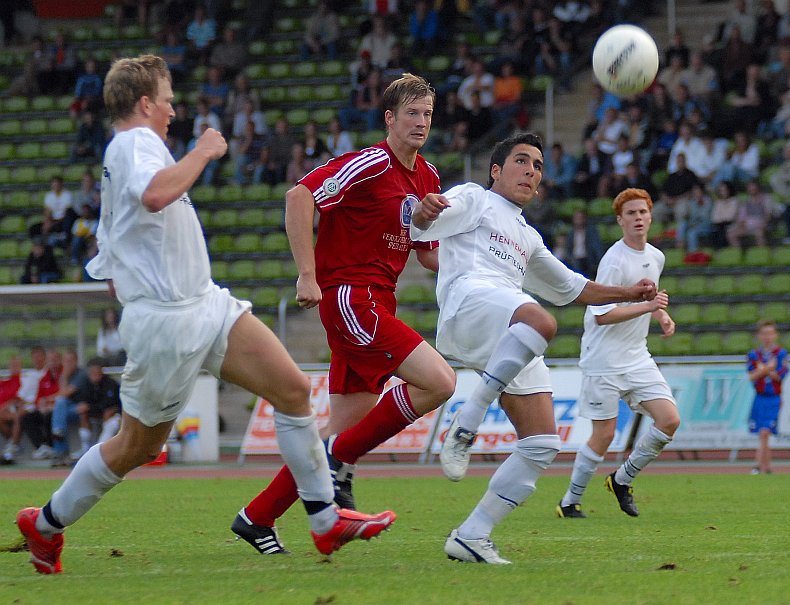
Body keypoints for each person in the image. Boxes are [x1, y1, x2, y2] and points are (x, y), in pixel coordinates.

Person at [16, 54, 395, 576]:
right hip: (169, 322)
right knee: (136, 446)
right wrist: (204, 150)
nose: (173, 111)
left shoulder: (128, 154)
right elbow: (156, 195)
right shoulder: (134, 143)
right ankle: (45, 525)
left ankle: (325, 519)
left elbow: (112, 255)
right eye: (167, 100)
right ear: (145, 103)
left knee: (291, 390)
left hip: (205, 305)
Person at [234, 73, 455, 555]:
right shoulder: (371, 163)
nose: (421, 122)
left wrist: (475, 257)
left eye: (427, 114)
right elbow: (299, 196)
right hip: (351, 298)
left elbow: (427, 255)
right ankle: (339, 462)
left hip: (380, 299)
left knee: (340, 430)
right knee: (440, 382)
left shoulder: (429, 177)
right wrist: (306, 275)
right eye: (412, 113)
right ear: (390, 118)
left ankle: (257, 517)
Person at [410, 134, 656, 564]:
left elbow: (573, 287)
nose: (530, 170)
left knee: (542, 442)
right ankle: (468, 420)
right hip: (470, 303)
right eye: (521, 161)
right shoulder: (476, 198)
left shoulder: (528, 236)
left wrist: (629, 293)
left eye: (538, 165)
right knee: (540, 320)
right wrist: (424, 211)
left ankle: (472, 535)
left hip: (507, 326)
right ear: (496, 170)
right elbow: (426, 222)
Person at [557, 188, 679, 520]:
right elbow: (602, 314)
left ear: (650, 216)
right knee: (604, 435)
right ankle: (569, 502)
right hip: (604, 359)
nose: (638, 218)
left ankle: (621, 479)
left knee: (669, 420)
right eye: (631, 213)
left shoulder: (656, 257)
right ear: (620, 220)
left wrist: (660, 314)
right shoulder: (614, 260)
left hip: (636, 356)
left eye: (642, 212)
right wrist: (650, 307)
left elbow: (647, 297)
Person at [747, 319, 789, 475]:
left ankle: (757, 465)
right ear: (759, 335)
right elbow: (751, 376)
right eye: (764, 333)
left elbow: (780, 376)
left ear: (775, 335)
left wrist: (763, 370)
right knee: (762, 433)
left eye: (770, 333)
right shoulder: (754, 355)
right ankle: (769, 467)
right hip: (759, 398)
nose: (767, 337)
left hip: (774, 398)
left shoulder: (781, 354)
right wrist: (767, 369)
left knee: (765, 432)